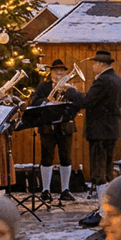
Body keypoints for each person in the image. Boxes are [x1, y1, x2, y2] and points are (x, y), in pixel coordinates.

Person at [80, 50, 121, 220]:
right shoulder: (116, 78)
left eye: (94, 63)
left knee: (99, 173)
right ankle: (108, 208)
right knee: (107, 171)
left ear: (100, 64)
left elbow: (87, 101)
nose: (92, 66)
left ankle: (103, 211)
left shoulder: (103, 80)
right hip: (111, 129)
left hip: (99, 131)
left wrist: (70, 91)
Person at [30, 60, 84, 205]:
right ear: (51, 73)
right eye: (56, 72)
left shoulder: (69, 88)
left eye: (62, 72)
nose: (59, 74)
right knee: (46, 157)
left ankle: (65, 190)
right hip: (47, 126)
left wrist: (65, 110)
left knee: (66, 157)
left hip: (65, 126)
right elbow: (34, 102)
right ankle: (45, 190)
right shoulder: (43, 86)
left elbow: (77, 105)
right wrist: (48, 100)